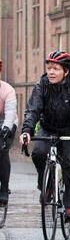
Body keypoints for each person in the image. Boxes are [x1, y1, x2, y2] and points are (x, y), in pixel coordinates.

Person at [19, 51, 70, 222]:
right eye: (49, 68)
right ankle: (46, 186)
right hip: (47, 128)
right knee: (39, 153)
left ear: (66, 71)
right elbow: (33, 110)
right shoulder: (41, 86)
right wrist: (26, 131)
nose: (51, 72)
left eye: (56, 69)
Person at [0, 71, 18, 205]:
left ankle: (4, 189)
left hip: (7, 121)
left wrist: (6, 128)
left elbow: (10, 112)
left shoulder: (7, 90)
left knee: (2, 150)